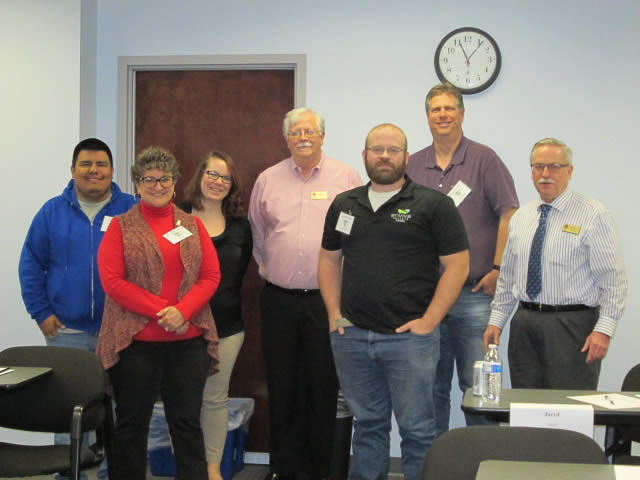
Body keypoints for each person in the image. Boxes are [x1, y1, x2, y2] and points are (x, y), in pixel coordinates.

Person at [318, 123, 469, 480]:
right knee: (368, 426)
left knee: (418, 431)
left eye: (393, 150)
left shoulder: (433, 205)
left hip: (410, 341)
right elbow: (328, 260)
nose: (384, 156)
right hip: (353, 337)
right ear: (364, 155)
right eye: (377, 149)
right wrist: (334, 313)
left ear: (406, 156)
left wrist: (430, 321)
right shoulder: (345, 204)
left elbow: (458, 266)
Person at [248, 107, 362, 480]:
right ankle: (285, 470)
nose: (303, 137)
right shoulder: (267, 179)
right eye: (295, 132)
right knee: (282, 386)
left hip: (326, 301)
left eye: (309, 131)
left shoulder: (346, 177)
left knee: (323, 386)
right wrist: (276, 267)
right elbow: (258, 235)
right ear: (286, 138)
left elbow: (356, 237)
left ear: (322, 136)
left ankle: (321, 471)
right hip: (279, 300)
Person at [96, 146, 221, 480]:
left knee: (187, 424)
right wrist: (163, 311)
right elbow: (113, 282)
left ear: (174, 183)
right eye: (148, 179)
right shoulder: (120, 227)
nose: (157, 185)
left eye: (164, 179)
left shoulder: (192, 225)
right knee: (131, 425)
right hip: (135, 344)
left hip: (187, 343)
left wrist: (183, 311)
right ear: (137, 184)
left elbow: (210, 276)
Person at [18, 137, 136, 480]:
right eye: (86, 164)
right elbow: (30, 264)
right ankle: (70, 475)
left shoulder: (131, 209)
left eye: (101, 164)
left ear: (112, 170)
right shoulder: (52, 212)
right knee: (68, 412)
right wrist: (41, 313)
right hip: (66, 332)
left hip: (120, 330)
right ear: (73, 170)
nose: (93, 170)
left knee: (121, 410)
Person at [406, 83, 519, 434]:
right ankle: (435, 460)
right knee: (430, 388)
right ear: (427, 117)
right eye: (435, 109)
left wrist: (498, 268)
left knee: (479, 390)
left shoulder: (484, 159)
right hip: (427, 297)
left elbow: (509, 213)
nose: (442, 115)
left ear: (462, 114)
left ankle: (483, 459)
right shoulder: (413, 164)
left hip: (474, 296)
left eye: (449, 108)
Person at [484, 138, 627, 389]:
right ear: (531, 172)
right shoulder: (521, 217)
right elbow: (508, 277)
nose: (545, 174)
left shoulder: (593, 214)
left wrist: (604, 329)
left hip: (573, 326)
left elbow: (613, 280)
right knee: (526, 403)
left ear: (569, 171)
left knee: (570, 404)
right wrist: (496, 320)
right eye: (538, 166)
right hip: (525, 324)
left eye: (554, 166)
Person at [182, 151, 253, 480]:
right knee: (182, 399)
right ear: (200, 175)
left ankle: (212, 469)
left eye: (225, 177)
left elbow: (240, 275)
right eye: (212, 173)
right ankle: (187, 467)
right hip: (181, 326)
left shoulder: (241, 227)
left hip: (227, 327)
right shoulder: (177, 218)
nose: (217, 181)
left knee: (214, 398)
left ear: (232, 185)